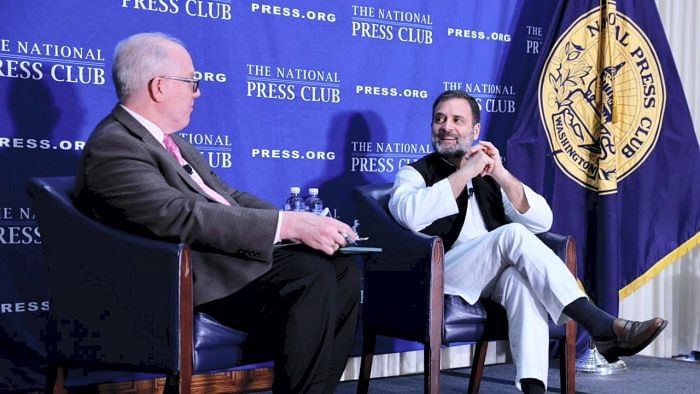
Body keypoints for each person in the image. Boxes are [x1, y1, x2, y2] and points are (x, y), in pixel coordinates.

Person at [72, 32, 360, 393]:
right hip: (175, 283)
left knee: (343, 269)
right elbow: (176, 214)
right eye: (192, 82)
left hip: (216, 269)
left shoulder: (171, 142)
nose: (198, 92)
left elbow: (227, 196)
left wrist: (303, 226)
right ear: (159, 86)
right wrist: (286, 225)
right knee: (310, 274)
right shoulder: (115, 145)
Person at [388, 90, 667, 393]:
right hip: (443, 271)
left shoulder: (490, 176)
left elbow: (541, 220)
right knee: (513, 235)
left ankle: (534, 388)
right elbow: (410, 216)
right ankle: (599, 325)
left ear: (475, 131)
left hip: (489, 273)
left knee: (522, 284)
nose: (447, 126)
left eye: (457, 120)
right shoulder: (415, 173)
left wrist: (502, 174)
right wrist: (464, 173)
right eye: (440, 119)